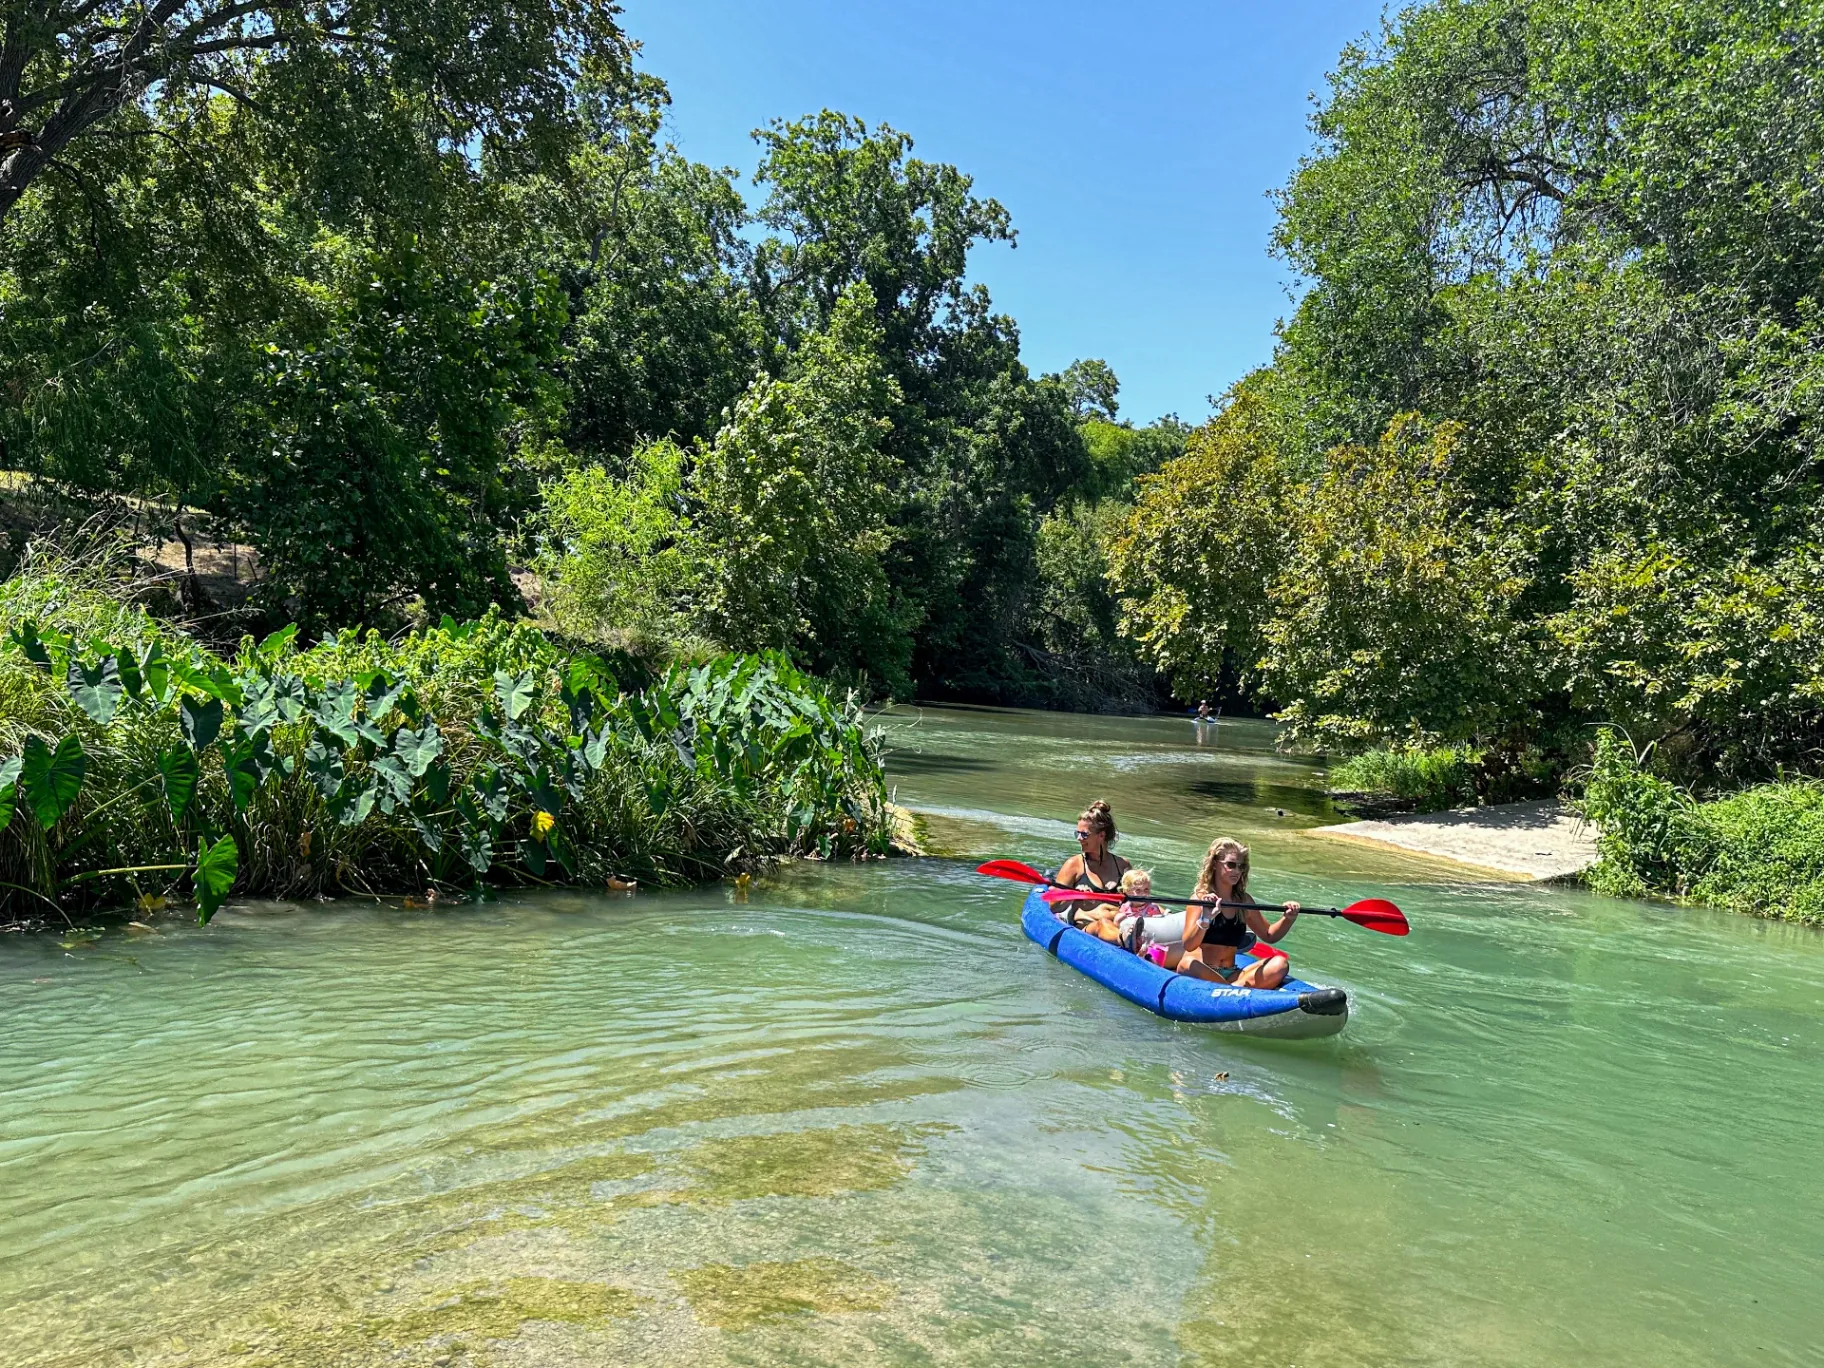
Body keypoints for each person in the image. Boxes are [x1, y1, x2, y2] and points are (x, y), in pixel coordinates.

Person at [1176, 838, 1298, 989]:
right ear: (1215, 864)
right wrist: (1206, 918)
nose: (1237, 871)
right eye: (1231, 865)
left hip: (1232, 973)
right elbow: (1189, 945)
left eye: (1241, 867)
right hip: (1203, 970)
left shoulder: (1244, 901)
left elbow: (1269, 935)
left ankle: (1232, 988)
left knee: (1280, 963)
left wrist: (1288, 918)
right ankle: (1236, 989)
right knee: (1187, 964)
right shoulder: (1199, 899)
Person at [1053, 800, 1129, 928]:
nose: (1079, 838)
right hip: (1087, 928)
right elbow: (1053, 906)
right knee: (1103, 925)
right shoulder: (1074, 865)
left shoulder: (1122, 866)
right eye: (1077, 833)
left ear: (1101, 836)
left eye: (1084, 834)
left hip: (1117, 923)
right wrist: (1073, 895)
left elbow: (1138, 901)